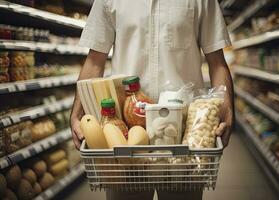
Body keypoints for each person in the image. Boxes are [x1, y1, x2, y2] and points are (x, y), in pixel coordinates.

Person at [70, 0, 234, 199]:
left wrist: (227, 109)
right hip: (126, 132)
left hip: (185, 135)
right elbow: (95, 60)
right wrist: (77, 113)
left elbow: (217, 61)